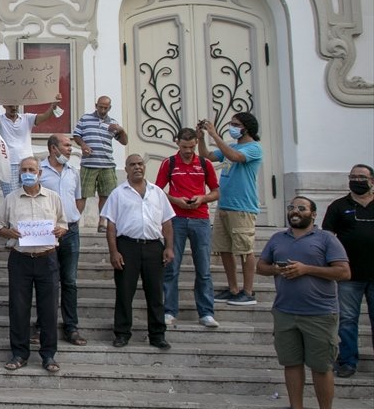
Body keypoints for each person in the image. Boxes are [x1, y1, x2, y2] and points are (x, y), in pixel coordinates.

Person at [258, 196, 350, 409]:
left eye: (301, 208)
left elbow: (343, 271)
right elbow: (261, 266)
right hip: (285, 311)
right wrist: (277, 269)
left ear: (313, 213)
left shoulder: (326, 239)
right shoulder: (278, 239)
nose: (295, 211)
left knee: (321, 367)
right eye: (291, 208)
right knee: (291, 363)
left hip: (320, 313)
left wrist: (306, 269)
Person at [0, 156, 67, 373]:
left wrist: (60, 230)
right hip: (20, 259)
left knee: (48, 309)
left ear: (39, 173)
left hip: (47, 258)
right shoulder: (11, 199)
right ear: (20, 174)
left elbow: (64, 223)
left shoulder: (53, 198)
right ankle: (19, 353)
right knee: (18, 309)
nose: (28, 172)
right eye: (24, 169)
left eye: (32, 169)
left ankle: (48, 355)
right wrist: (10, 232)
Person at [103, 154, 176, 351]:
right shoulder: (118, 193)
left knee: (155, 293)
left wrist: (169, 247)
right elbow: (111, 226)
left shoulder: (157, 193)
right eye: (132, 164)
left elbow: (167, 221)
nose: (137, 167)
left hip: (154, 247)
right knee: (125, 293)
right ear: (126, 169)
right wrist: (114, 252)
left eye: (140, 164)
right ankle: (122, 333)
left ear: (145, 167)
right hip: (127, 246)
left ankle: (157, 335)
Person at [155, 128, 220, 328]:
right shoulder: (169, 163)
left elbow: (216, 191)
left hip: (200, 219)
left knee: (204, 268)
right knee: (171, 267)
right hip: (176, 219)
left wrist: (203, 198)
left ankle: (206, 312)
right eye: (184, 147)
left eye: (192, 147)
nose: (188, 151)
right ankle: (169, 311)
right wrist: (175, 200)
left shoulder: (204, 163)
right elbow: (157, 190)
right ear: (177, 143)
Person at [199, 111, 263, 305]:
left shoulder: (253, 148)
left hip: (243, 207)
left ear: (246, 127)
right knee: (224, 249)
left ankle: (248, 291)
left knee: (244, 250)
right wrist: (201, 137)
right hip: (224, 205)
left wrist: (214, 134)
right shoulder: (231, 146)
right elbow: (207, 156)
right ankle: (233, 288)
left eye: (235, 124)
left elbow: (235, 157)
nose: (232, 127)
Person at [323, 164, 374, 378]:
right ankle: (347, 361)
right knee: (347, 320)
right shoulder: (338, 206)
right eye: (353, 177)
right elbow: (326, 237)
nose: (356, 180)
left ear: (372, 180)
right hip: (349, 275)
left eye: (361, 177)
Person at [39, 134, 87, 345]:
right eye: (66, 145)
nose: (70, 149)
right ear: (53, 148)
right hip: (46, 233)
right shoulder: (39, 171)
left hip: (70, 233)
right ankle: (43, 324)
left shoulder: (73, 172)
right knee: (46, 282)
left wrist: (69, 222)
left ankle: (71, 327)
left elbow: (79, 199)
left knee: (69, 281)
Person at [0, 93, 61, 196]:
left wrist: (53, 106)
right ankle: (13, 213)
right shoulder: (0, 119)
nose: (14, 108)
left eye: (16, 105)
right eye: (10, 106)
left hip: (28, 163)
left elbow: (45, 116)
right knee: (11, 196)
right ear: (4, 106)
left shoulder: (27, 118)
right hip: (8, 164)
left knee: (31, 193)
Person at [72, 96, 127, 225]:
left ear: (110, 108)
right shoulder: (85, 119)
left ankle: (102, 222)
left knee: (106, 194)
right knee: (82, 194)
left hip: (107, 164)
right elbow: (76, 135)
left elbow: (124, 142)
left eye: (105, 108)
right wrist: (83, 145)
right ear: (96, 105)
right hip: (88, 163)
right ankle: (74, 222)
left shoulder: (112, 123)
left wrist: (121, 130)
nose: (102, 110)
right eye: (100, 106)